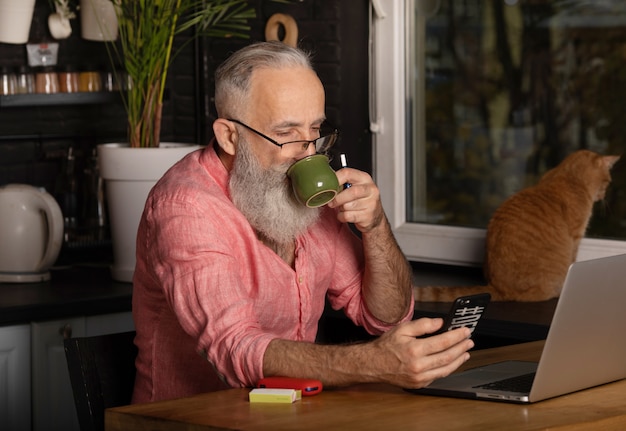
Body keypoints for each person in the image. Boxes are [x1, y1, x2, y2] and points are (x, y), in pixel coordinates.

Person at [131, 41, 474, 403]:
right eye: (286, 133)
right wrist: (372, 362)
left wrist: (375, 227)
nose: (308, 152)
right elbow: (234, 349)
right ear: (229, 136)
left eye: (315, 130)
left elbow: (385, 317)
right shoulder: (187, 207)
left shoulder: (301, 194)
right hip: (187, 421)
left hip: (288, 416)